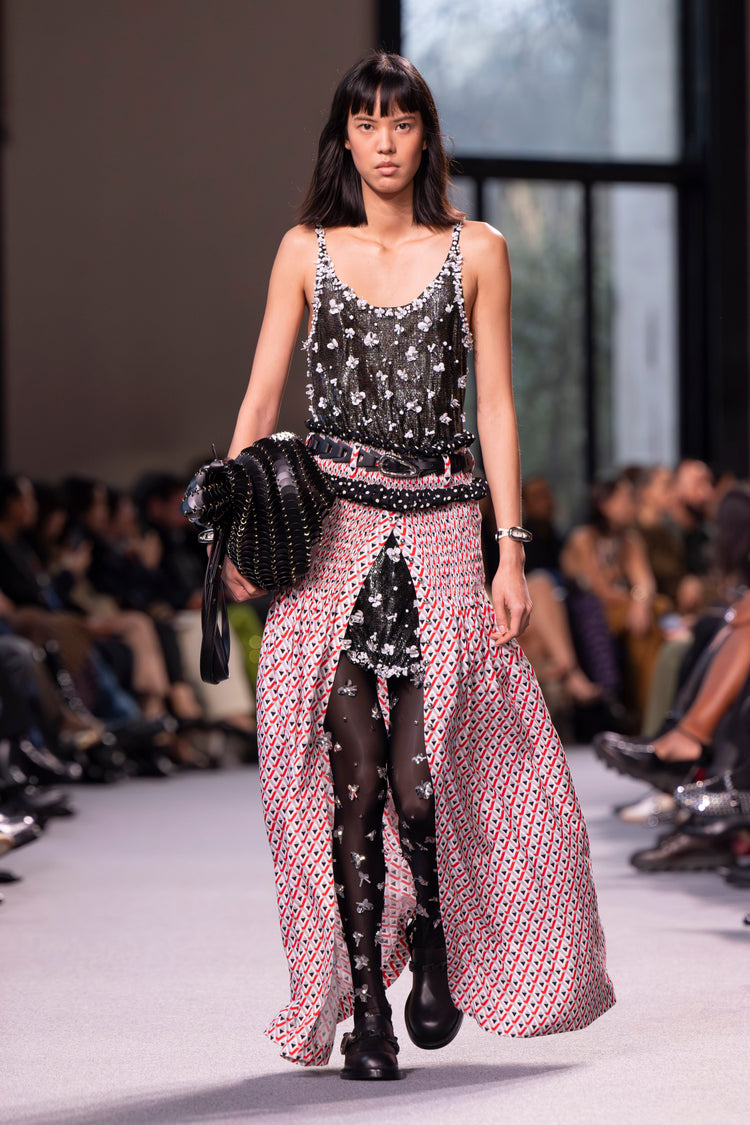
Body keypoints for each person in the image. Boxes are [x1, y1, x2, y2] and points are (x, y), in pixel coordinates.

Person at [218, 52, 614, 1079]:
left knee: (423, 777)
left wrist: (510, 550)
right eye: (367, 124)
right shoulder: (304, 251)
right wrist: (231, 536)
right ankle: (367, 1010)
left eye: (402, 123)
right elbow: (260, 400)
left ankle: (431, 932)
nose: (384, 142)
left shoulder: (477, 250)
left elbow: (497, 407)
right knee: (349, 780)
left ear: (425, 136)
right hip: (335, 532)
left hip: (441, 529)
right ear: (344, 139)